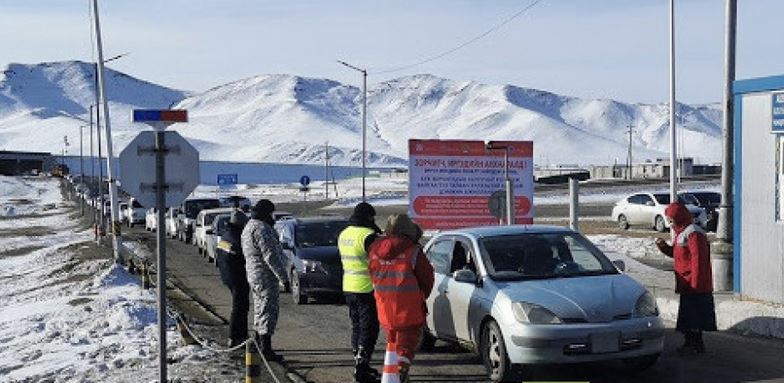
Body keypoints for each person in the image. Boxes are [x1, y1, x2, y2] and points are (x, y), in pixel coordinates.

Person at [368, 214, 434, 383]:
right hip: (408, 310)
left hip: (384, 308)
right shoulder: (413, 251)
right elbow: (427, 278)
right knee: (406, 347)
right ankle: (399, 374)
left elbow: (372, 275)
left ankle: (396, 374)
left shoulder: (375, 249)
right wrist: (420, 296)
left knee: (393, 343)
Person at [655, 203, 717, 355]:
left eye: (671, 220)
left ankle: (695, 344)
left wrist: (696, 284)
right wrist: (663, 247)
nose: (670, 223)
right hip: (686, 283)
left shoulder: (693, 233)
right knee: (688, 317)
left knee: (694, 317)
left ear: (679, 217)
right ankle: (692, 343)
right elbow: (679, 256)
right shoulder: (681, 233)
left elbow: (699, 261)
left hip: (695, 284)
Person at [338, 202, 382, 383]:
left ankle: (358, 361)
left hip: (348, 285)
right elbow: (379, 262)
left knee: (356, 325)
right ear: (369, 217)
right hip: (366, 287)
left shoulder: (344, 233)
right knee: (369, 328)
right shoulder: (368, 236)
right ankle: (362, 367)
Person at [242, 199, 289, 362]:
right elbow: (271, 256)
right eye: (270, 213)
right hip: (265, 275)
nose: (272, 217)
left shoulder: (249, 226)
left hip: (254, 274)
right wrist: (284, 278)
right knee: (268, 310)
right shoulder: (262, 229)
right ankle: (266, 348)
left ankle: (258, 342)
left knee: (260, 308)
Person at [216, 201, 250, 348]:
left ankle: (240, 335)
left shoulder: (225, 236)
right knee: (240, 307)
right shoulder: (237, 238)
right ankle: (235, 336)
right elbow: (243, 257)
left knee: (240, 306)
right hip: (237, 277)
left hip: (228, 275)